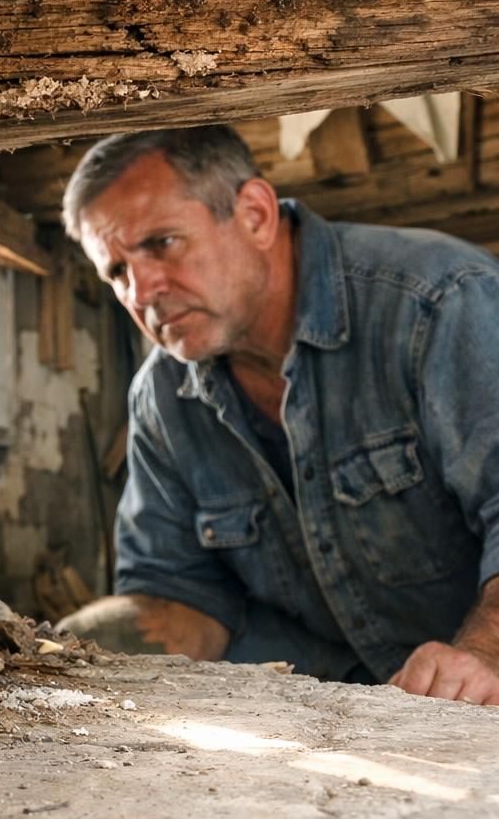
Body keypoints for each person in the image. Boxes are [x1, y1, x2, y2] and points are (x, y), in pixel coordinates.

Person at [55, 125, 499, 706]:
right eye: (116, 271)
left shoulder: (439, 302)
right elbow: (179, 599)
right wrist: (46, 652)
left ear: (256, 215)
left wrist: (485, 654)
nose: (141, 292)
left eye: (162, 243)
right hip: (321, 724)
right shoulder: (162, 399)